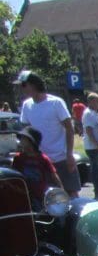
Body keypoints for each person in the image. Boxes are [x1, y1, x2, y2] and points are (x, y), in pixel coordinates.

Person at [16, 70, 81, 198]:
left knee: (70, 193)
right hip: (41, 160)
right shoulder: (26, 105)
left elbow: (69, 128)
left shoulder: (56, 102)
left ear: (33, 84)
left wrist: (69, 154)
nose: (21, 88)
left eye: (23, 85)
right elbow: (26, 131)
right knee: (47, 196)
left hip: (61, 157)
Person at [12, 126, 62, 210]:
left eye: (24, 139)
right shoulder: (18, 158)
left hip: (39, 193)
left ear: (31, 142)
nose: (21, 141)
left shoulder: (43, 158)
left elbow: (53, 175)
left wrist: (61, 191)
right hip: (23, 193)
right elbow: (14, 175)